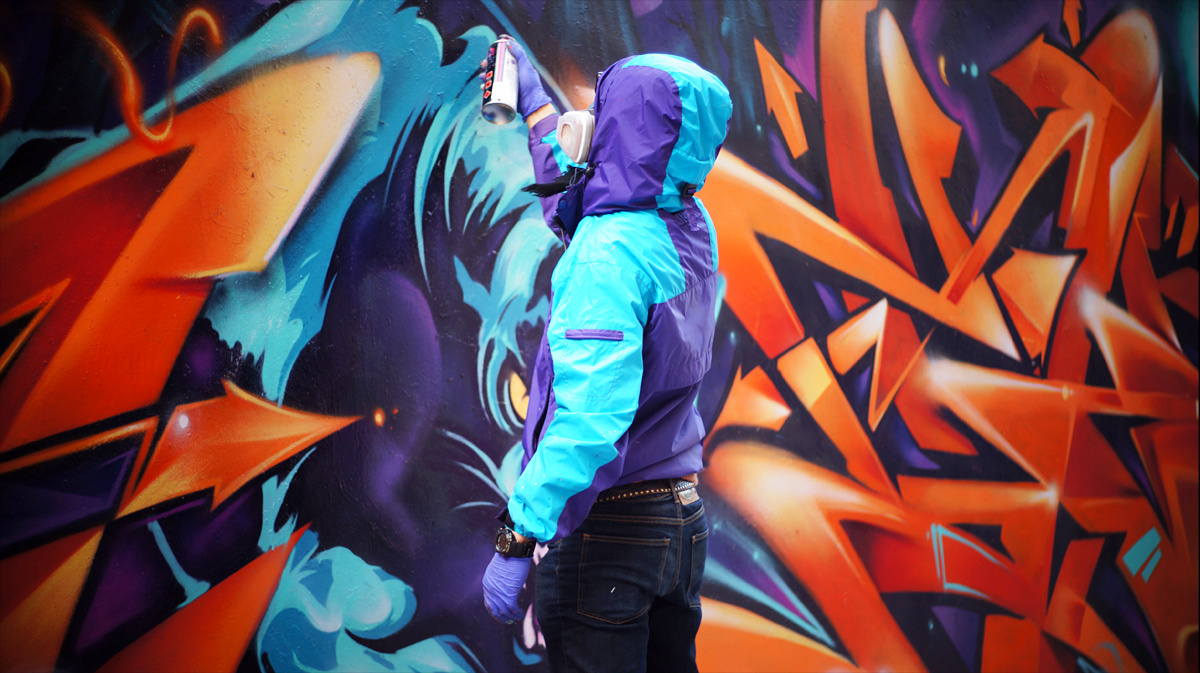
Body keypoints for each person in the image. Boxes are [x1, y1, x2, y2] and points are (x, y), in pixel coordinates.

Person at [480, 36, 732, 673]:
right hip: (679, 524)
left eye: (606, 109)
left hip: (612, 534)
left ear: (627, 126)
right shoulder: (690, 226)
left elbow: (590, 422)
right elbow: (587, 199)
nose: (593, 119)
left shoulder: (606, 256)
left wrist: (519, 535)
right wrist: (535, 107)